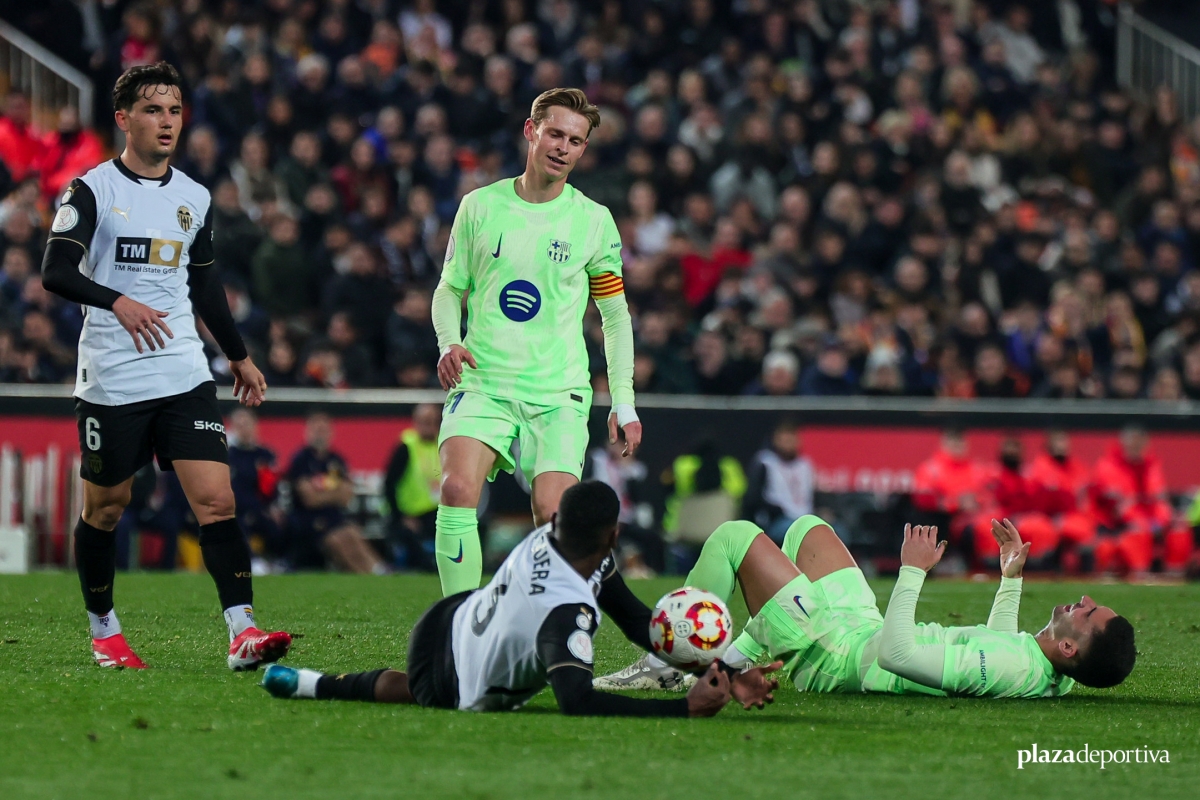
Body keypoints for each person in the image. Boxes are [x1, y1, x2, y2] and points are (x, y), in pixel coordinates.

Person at [37, 62, 289, 670]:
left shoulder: (194, 197)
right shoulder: (92, 189)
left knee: (217, 501)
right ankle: (104, 631)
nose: (167, 121)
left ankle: (243, 632)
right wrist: (117, 301)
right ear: (124, 119)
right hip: (113, 375)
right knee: (106, 507)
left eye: (174, 110)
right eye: (153, 110)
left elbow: (205, 287)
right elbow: (55, 271)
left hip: (182, 369)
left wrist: (238, 356)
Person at [260, 481, 780, 716]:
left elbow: (634, 620)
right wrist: (685, 710)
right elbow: (577, 701)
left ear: (556, 519)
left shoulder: (552, 539)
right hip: (451, 676)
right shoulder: (567, 613)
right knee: (418, 692)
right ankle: (311, 685)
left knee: (406, 686)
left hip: (445, 619)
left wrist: (725, 671)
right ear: (614, 537)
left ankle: (306, 682)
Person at [431, 88, 639, 596]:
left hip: (556, 389)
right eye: (555, 134)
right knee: (456, 488)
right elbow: (449, 288)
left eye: (576, 140)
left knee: (554, 513)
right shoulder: (480, 206)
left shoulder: (593, 221)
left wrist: (624, 401)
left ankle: (550, 622)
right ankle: (458, 623)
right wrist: (448, 342)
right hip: (483, 379)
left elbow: (615, 316)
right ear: (531, 131)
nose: (563, 148)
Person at [599, 515, 1136, 698]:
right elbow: (995, 647)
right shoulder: (1050, 672)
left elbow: (896, 657)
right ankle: (732, 659)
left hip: (836, 657)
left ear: (1071, 647)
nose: (1086, 601)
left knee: (735, 536)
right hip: (859, 630)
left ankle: (671, 661)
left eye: (1089, 613)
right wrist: (1009, 580)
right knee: (808, 530)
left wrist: (911, 570)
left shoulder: (1012, 666)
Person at [286, 412, 387, 575]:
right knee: (337, 539)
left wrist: (323, 494)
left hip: (334, 516)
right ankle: (362, 575)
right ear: (307, 432)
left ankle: (378, 570)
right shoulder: (301, 460)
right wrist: (335, 493)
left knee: (353, 534)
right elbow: (310, 499)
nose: (320, 434)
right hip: (308, 519)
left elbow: (346, 497)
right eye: (316, 430)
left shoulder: (336, 460)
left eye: (323, 430)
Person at [382, 403, 442, 571]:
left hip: (436, 513)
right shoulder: (406, 447)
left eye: (432, 421)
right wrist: (401, 517)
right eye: (424, 421)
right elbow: (389, 484)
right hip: (409, 515)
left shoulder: (443, 445)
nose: (428, 426)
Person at [227, 408, 285, 569]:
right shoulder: (228, 455)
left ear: (255, 426)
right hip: (235, 509)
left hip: (261, 508)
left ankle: (280, 560)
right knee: (236, 525)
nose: (244, 429)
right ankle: (252, 561)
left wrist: (274, 506)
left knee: (284, 523)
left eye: (247, 424)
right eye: (239, 425)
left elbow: (272, 486)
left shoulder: (265, 455)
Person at [742, 418, 814, 544]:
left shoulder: (805, 465)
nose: (787, 444)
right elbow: (753, 498)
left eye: (790, 440)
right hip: (777, 519)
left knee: (835, 530)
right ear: (775, 440)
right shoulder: (766, 462)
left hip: (806, 517)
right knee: (797, 533)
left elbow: (812, 495)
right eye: (784, 440)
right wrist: (775, 511)